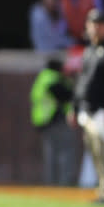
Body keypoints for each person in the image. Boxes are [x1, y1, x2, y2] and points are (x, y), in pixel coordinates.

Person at [73, 10, 104, 202]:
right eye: (92, 24)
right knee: (94, 150)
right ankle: (103, 189)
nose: (95, 28)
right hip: (88, 110)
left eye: (100, 24)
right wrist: (75, 106)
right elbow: (82, 82)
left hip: (103, 110)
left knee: (103, 150)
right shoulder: (89, 51)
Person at [32, 55, 77, 186]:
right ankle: (64, 183)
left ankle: (51, 183)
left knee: (51, 154)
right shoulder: (52, 79)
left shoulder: (42, 78)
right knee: (65, 152)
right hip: (56, 120)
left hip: (44, 122)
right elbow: (67, 96)